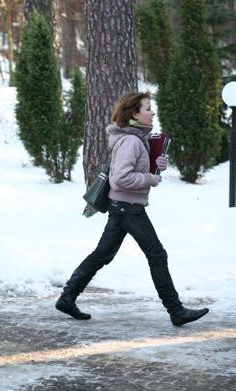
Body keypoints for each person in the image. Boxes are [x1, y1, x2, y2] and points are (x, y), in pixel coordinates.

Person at [55, 92, 209, 327]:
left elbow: (129, 172)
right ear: (135, 114)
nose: (152, 112)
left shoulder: (137, 140)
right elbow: (120, 179)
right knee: (157, 255)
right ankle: (176, 311)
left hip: (122, 208)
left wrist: (156, 165)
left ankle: (67, 298)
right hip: (129, 209)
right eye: (148, 108)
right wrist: (148, 178)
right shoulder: (131, 141)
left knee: (101, 255)